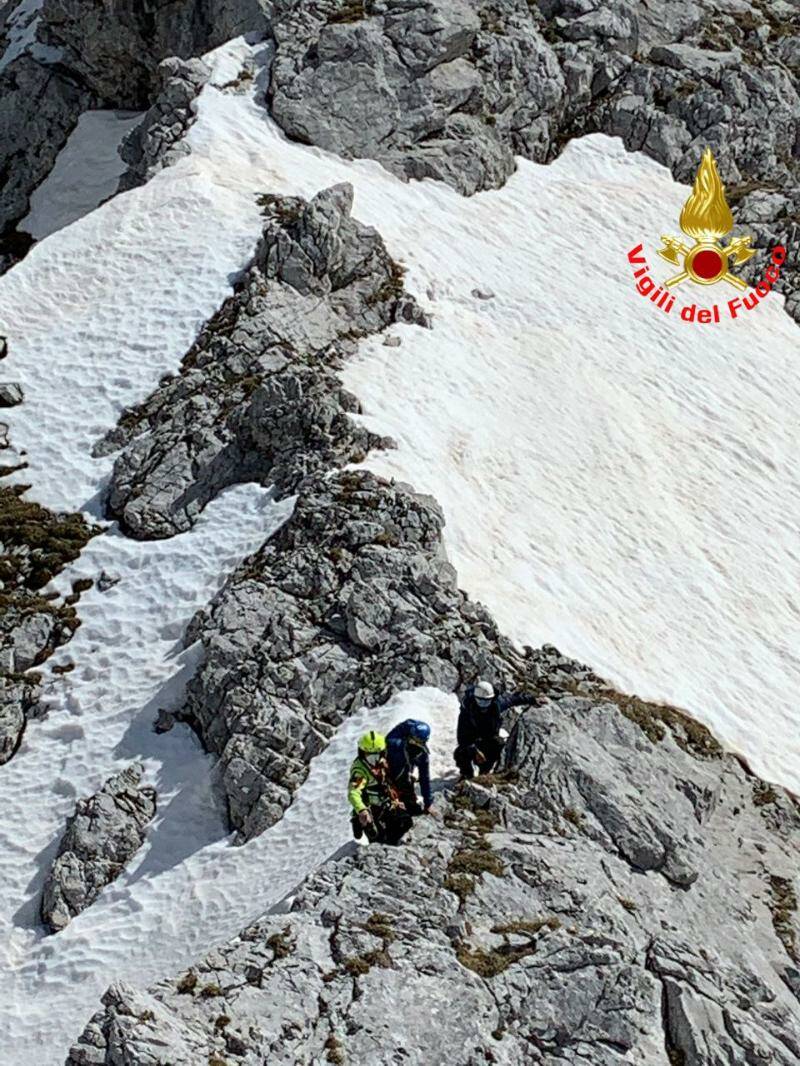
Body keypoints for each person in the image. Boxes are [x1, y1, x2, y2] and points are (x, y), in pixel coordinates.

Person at [454, 680, 536, 779]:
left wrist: (532, 699)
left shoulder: (496, 705)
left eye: (487, 700)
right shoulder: (466, 712)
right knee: (460, 753)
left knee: (498, 744)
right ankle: (467, 775)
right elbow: (462, 738)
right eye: (481, 701)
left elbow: (513, 700)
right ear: (475, 699)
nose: (484, 704)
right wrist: (474, 751)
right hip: (472, 743)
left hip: (489, 739)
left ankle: (484, 773)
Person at [348, 730, 412, 846]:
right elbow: (354, 793)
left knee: (405, 821)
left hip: (385, 804)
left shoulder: (382, 765)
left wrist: (396, 800)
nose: (373, 760)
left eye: (376, 755)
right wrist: (362, 810)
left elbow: (387, 783)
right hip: (371, 810)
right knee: (378, 839)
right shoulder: (360, 771)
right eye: (369, 756)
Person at [386, 719, 433, 815]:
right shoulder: (395, 745)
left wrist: (428, 803)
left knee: (411, 810)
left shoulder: (421, 755)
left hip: (403, 778)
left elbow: (424, 777)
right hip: (387, 778)